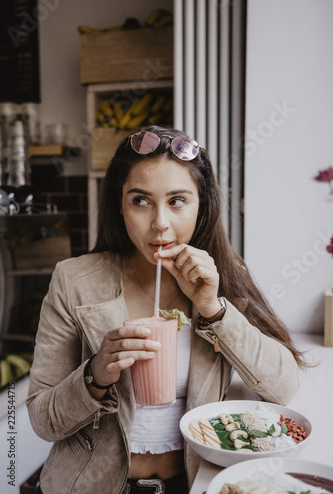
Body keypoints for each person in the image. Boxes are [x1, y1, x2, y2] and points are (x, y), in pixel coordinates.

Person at [26, 125, 304, 494]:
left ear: (201, 205)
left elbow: (283, 387)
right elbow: (43, 421)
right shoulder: (74, 280)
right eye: (140, 200)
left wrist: (214, 309)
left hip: (190, 483)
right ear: (119, 206)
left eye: (177, 201)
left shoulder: (223, 275)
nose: (160, 223)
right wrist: (94, 375)